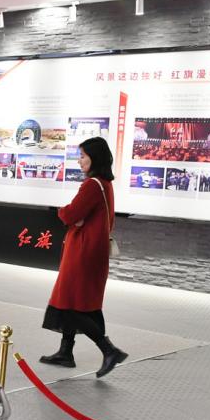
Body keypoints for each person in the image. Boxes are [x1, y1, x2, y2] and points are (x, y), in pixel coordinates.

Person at [39, 136, 127, 378]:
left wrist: (64, 212)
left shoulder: (91, 186)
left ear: (94, 158)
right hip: (93, 251)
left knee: (72, 304)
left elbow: (70, 214)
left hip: (83, 253)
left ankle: (109, 350)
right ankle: (65, 351)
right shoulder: (105, 184)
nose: (79, 161)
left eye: (83, 156)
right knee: (81, 302)